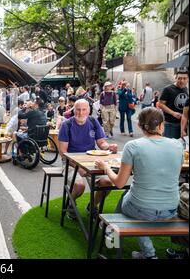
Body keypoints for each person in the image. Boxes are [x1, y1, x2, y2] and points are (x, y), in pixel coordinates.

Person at [95, 107, 184, 259]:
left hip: (142, 209)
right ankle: (114, 238)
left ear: (139, 126)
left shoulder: (133, 146)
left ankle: (114, 240)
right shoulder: (178, 145)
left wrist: (106, 168)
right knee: (130, 197)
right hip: (170, 208)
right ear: (162, 125)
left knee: (127, 199)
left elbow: (119, 183)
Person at [58, 99, 117, 219]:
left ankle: (92, 206)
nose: (80, 113)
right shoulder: (67, 125)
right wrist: (78, 166)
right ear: (73, 110)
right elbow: (63, 152)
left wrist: (108, 146)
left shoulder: (93, 121)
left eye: (84, 109)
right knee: (79, 186)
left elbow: (101, 142)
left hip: (91, 160)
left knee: (107, 183)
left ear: (88, 111)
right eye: (78, 110)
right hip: (71, 162)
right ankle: (71, 204)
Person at [158, 70, 189, 139]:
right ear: (176, 78)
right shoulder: (167, 89)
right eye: (179, 78)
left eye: (184, 78)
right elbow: (160, 104)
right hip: (171, 124)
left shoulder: (186, 89)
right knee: (169, 146)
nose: (182, 81)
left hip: (183, 124)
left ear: (188, 79)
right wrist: (173, 113)